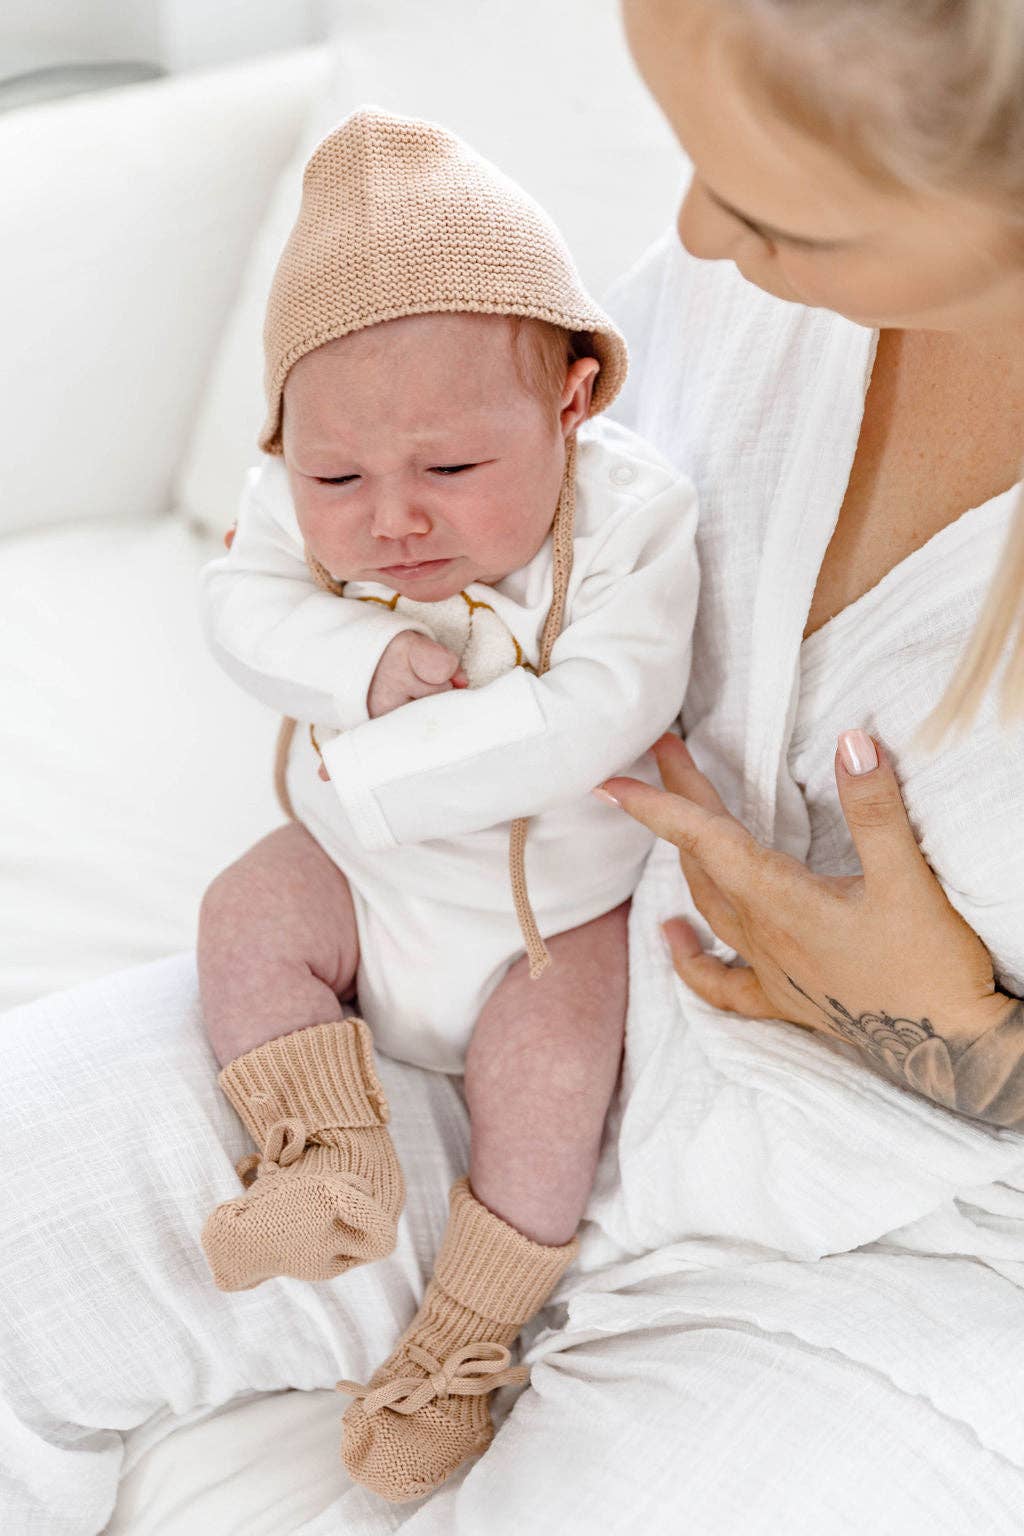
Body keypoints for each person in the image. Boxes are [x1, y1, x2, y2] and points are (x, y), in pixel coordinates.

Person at [4, 2, 1024, 1531]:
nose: (686, 229)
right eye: (692, 156)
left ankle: (469, 1329)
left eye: (773, 210)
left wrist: (972, 1042)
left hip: (902, 1247)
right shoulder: (722, 301)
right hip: (480, 996)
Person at [192, 106, 696, 1502]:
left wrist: (385, 756)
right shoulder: (296, 496)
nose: (391, 520)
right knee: (245, 915)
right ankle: (325, 1159)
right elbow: (237, 606)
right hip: (356, 870)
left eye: (452, 473)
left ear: (574, 403)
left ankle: (464, 1345)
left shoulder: (635, 520)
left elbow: (607, 706)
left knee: (550, 1083)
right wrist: (355, 658)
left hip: (547, 917)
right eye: (338, 476)